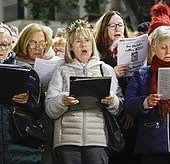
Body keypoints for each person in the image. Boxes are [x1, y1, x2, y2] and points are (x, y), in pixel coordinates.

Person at [45, 19, 124, 164]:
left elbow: (119, 108)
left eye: (87, 40)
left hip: (98, 139)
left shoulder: (105, 69)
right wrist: (63, 100)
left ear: (92, 44)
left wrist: (112, 101)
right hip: (67, 141)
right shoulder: (62, 71)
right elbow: (49, 109)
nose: (83, 44)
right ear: (70, 48)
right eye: (78, 41)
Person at [95, 10, 138, 164]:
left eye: (120, 25)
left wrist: (130, 110)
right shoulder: (98, 53)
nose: (117, 29)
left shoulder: (134, 49)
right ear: (104, 29)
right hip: (106, 114)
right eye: (112, 26)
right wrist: (112, 72)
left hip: (130, 112)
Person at [124, 25, 170, 164]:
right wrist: (146, 102)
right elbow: (128, 104)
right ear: (154, 48)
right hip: (152, 143)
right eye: (163, 47)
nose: (168, 51)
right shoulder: (142, 74)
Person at [0, 23, 44, 164]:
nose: (0, 49)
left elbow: (39, 106)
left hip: (20, 142)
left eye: (4, 44)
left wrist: (28, 100)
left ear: (11, 45)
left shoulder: (25, 70)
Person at [13, 23, 55, 164]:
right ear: (24, 43)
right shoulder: (14, 64)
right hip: (22, 126)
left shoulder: (52, 63)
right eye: (33, 43)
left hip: (47, 123)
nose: (38, 48)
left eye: (42, 43)